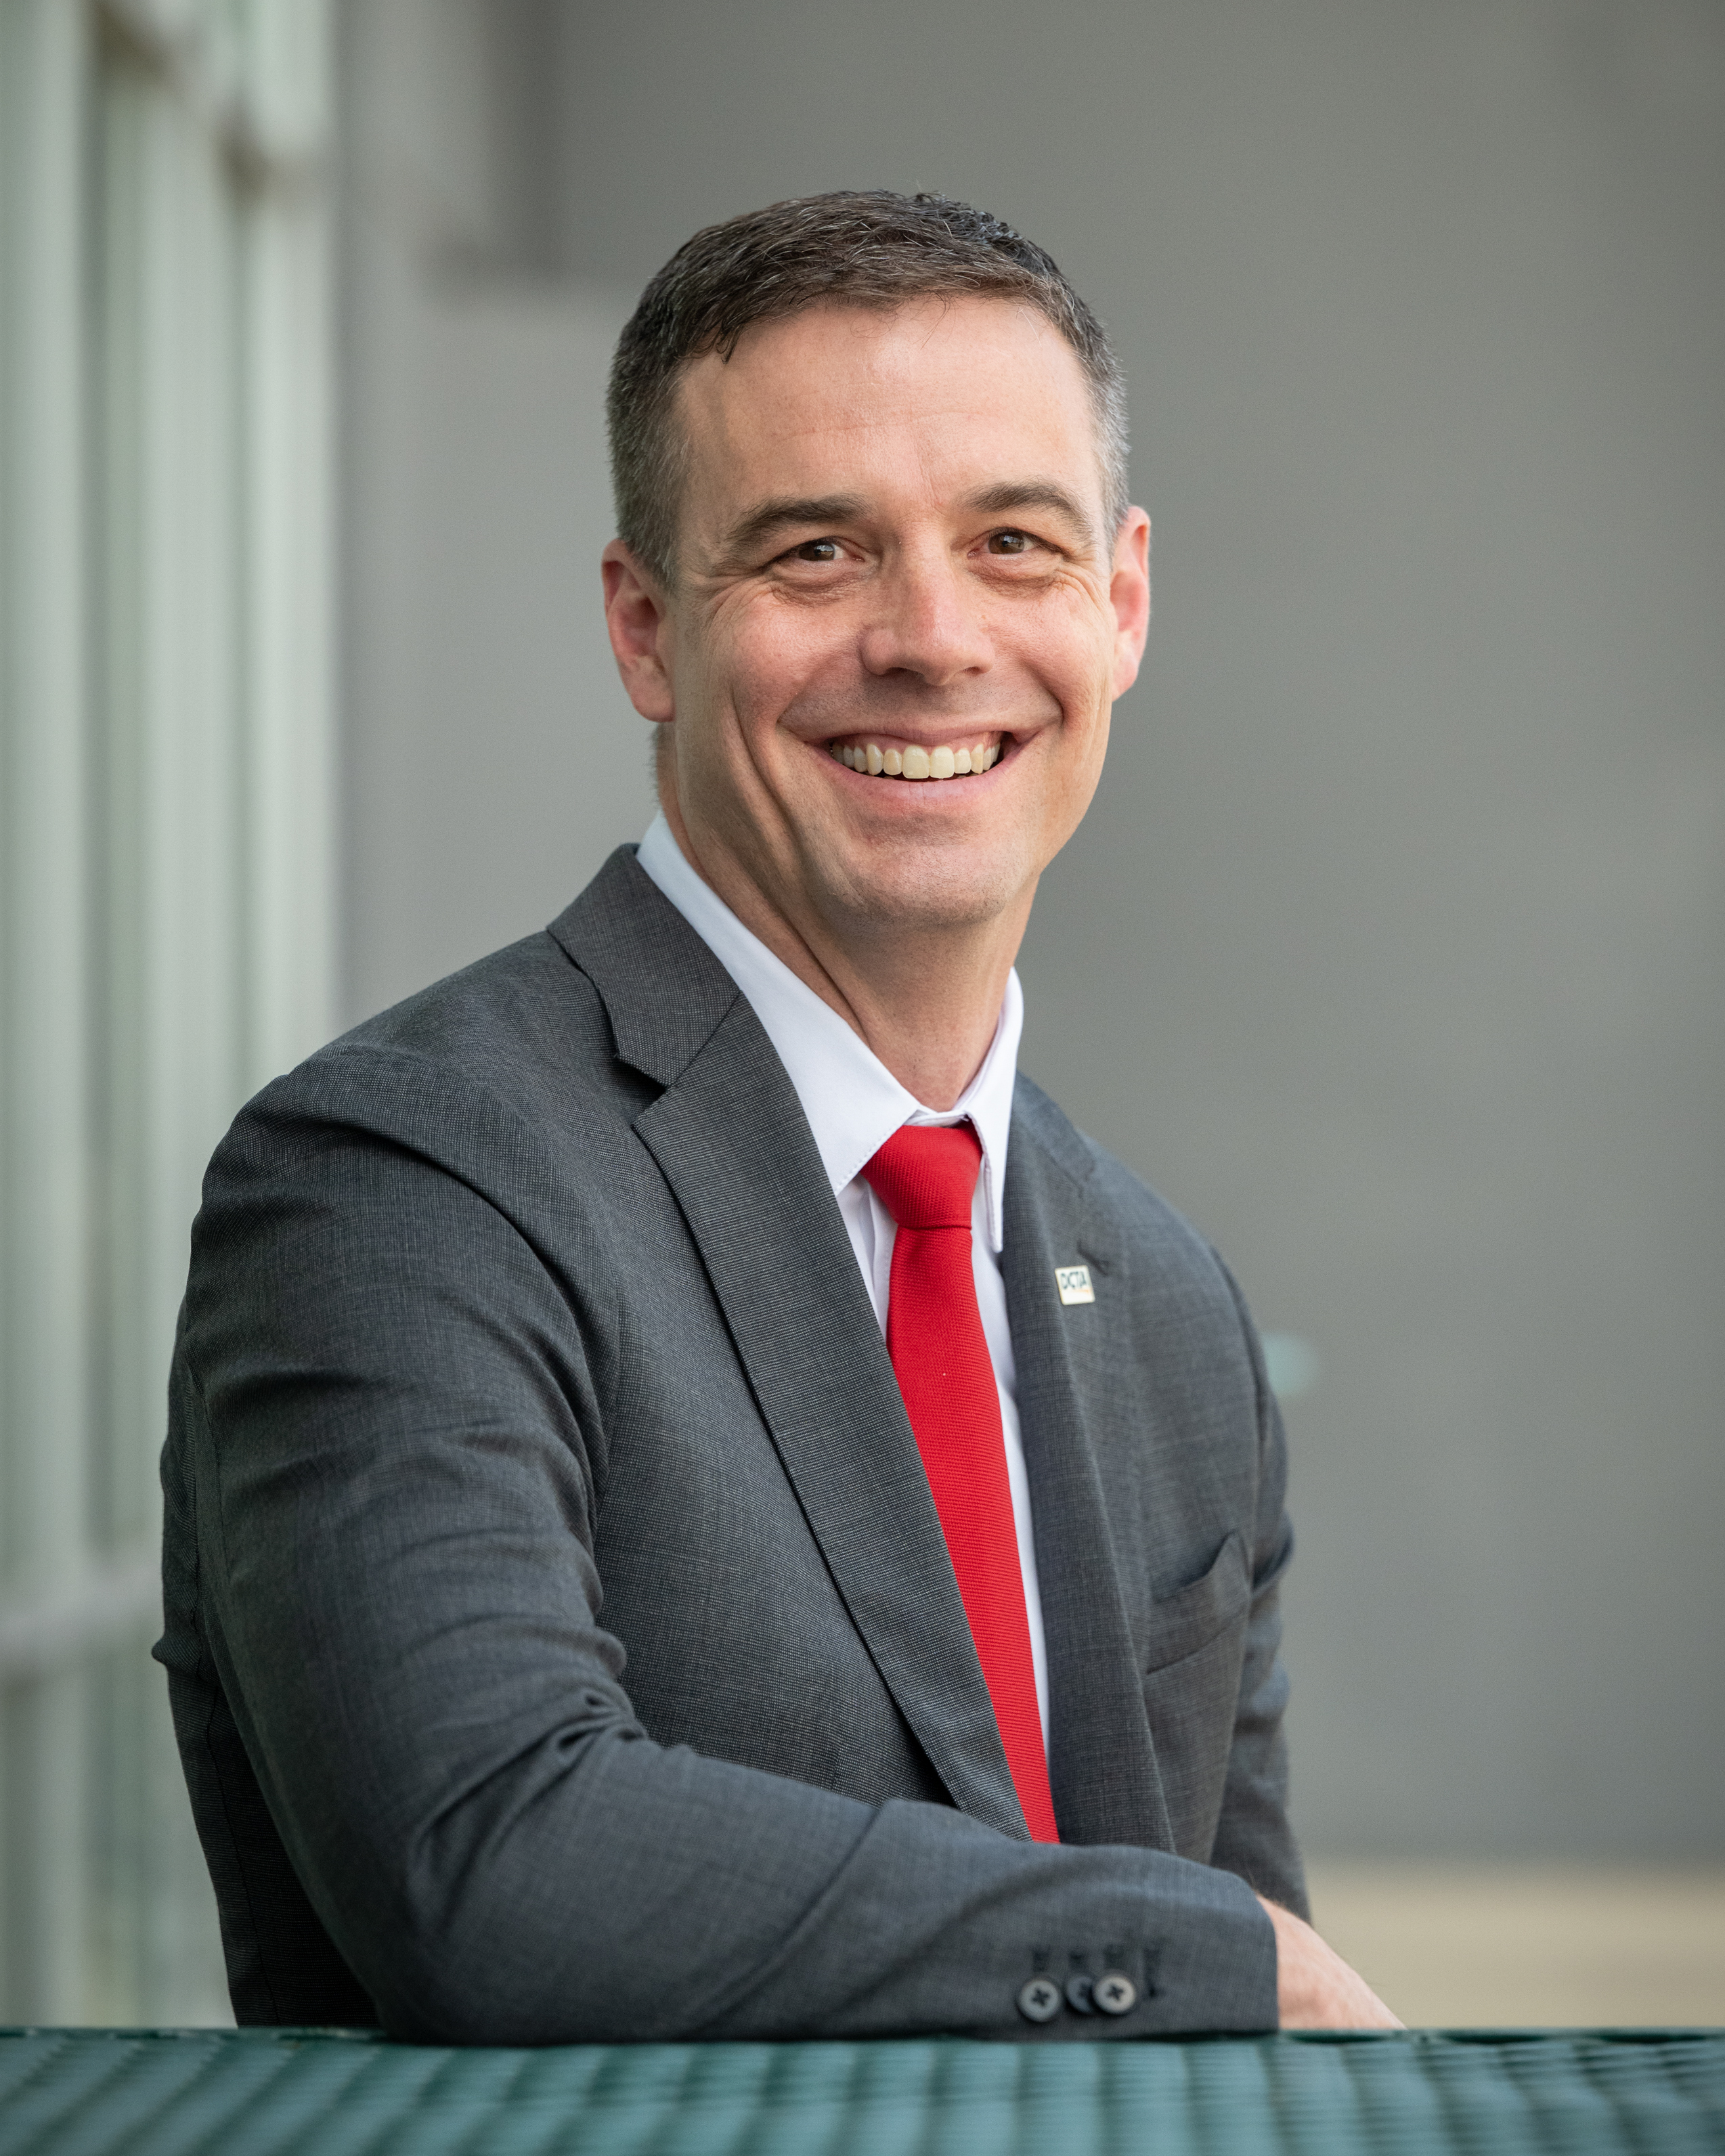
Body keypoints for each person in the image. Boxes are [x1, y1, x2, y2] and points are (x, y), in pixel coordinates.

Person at [157, 190, 1396, 2044]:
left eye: (1013, 543)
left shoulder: (1166, 1304)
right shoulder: (402, 1184)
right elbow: (489, 1859)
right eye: (818, 552)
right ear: (644, 626)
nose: (932, 638)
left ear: (1121, 603)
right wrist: (1214, 1954)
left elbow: (1246, 2048)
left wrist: (1231, 1968)